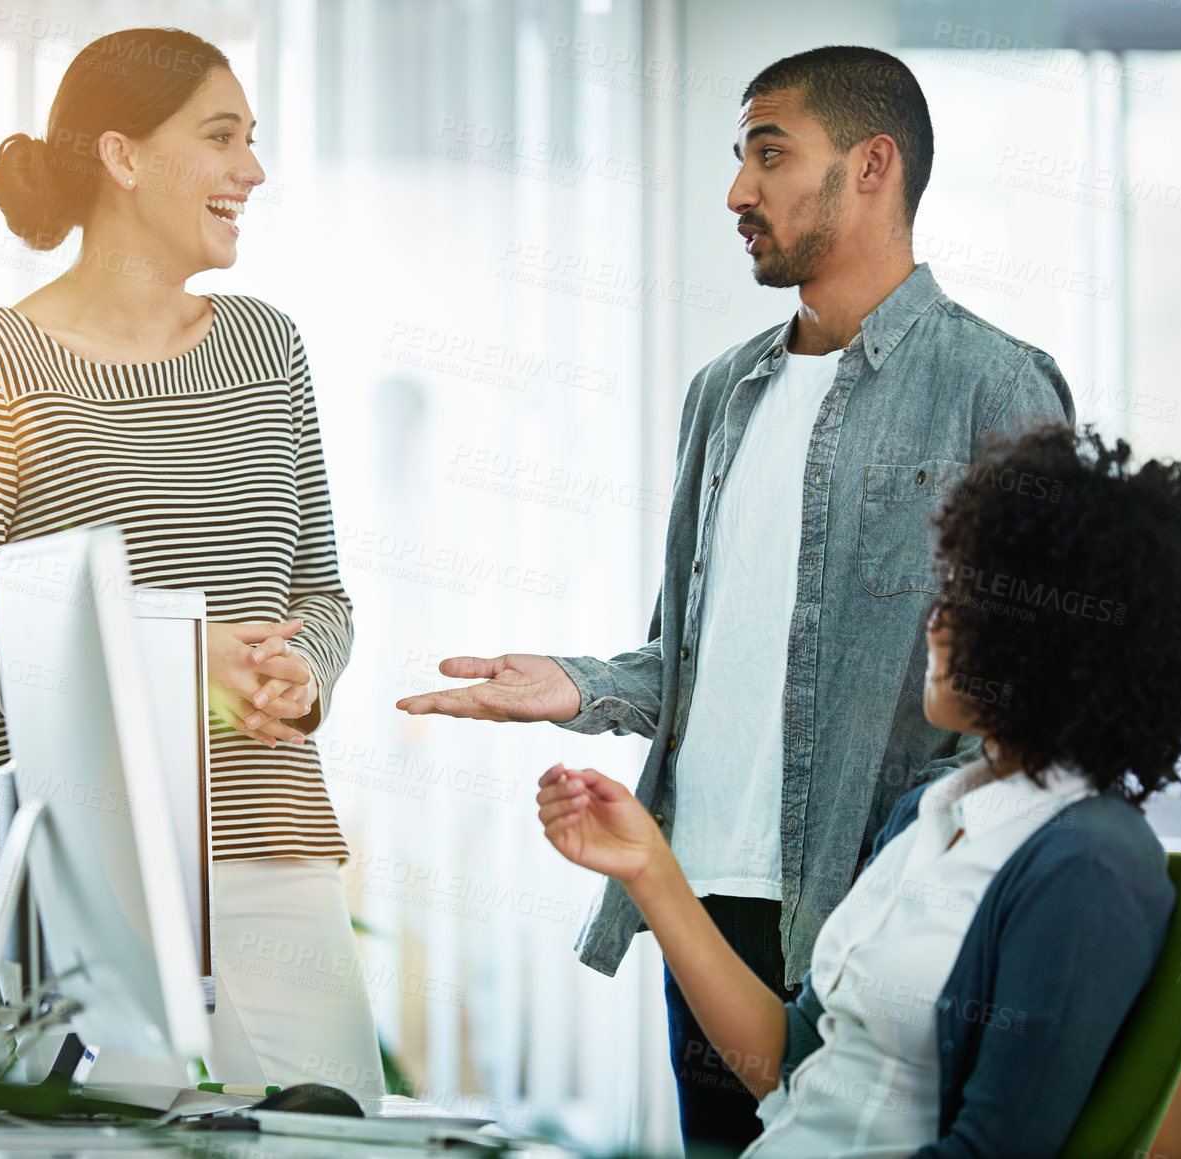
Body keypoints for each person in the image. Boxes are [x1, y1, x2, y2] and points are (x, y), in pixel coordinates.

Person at [398, 45, 1074, 1149]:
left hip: (873, 909)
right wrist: (576, 687)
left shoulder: (997, 385)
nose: (737, 193)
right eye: (737, 157)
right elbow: (695, 657)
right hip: (700, 892)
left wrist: (940, 870)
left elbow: (1033, 686)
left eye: (771, 154)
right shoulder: (724, 394)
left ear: (872, 166)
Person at [0, 27, 384, 1094]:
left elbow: (319, 594)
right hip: (85, 870)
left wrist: (308, 671)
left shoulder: (268, 346)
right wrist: (171, 664)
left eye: (252, 138)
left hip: (272, 843)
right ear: (123, 156)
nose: (252, 169)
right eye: (220, 136)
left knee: (335, 1136)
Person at [537, 423, 1181, 1157]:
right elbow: (788, 1065)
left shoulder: (1086, 863)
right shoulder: (932, 810)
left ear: (1053, 639)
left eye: (971, 595)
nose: (936, 619)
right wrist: (649, 867)